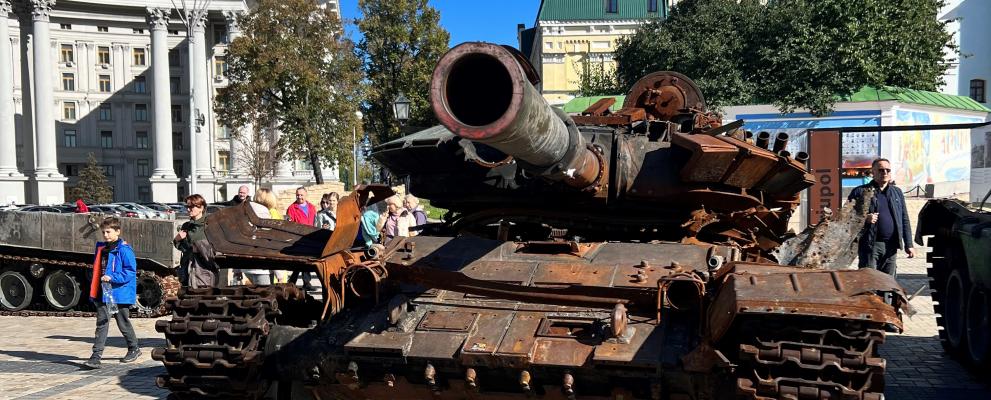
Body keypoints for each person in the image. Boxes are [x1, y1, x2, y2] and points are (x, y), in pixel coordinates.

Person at [83, 216, 140, 369]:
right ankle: (96, 356)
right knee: (102, 323)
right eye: (103, 232)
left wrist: (112, 277)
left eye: (108, 232)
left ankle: (134, 348)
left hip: (119, 293)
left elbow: (130, 272)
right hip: (104, 292)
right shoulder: (102, 248)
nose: (105, 235)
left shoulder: (124, 250)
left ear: (117, 231)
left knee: (123, 322)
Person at [848, 158, 915, 279]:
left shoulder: (897, 192)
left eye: (888, 170)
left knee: (889, 283)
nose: (885, 172)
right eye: (881, 170)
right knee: (870, 282)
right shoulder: (860, 192)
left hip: (891, 246)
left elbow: (904, 218)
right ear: (873, 172)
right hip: (870, 245)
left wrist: (909, 244)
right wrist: (864, 218)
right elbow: (847, 218)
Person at [172, 194, 219, 288]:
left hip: (204, 274)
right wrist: (177, 239)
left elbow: (216, 252)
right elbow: (184, 249)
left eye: (191, 207)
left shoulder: (210, 225)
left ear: (201, 208)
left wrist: (197, 246)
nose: (188, 209)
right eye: (187, 206)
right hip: (187, 273)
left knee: (203, 296)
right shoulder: (186, 226)